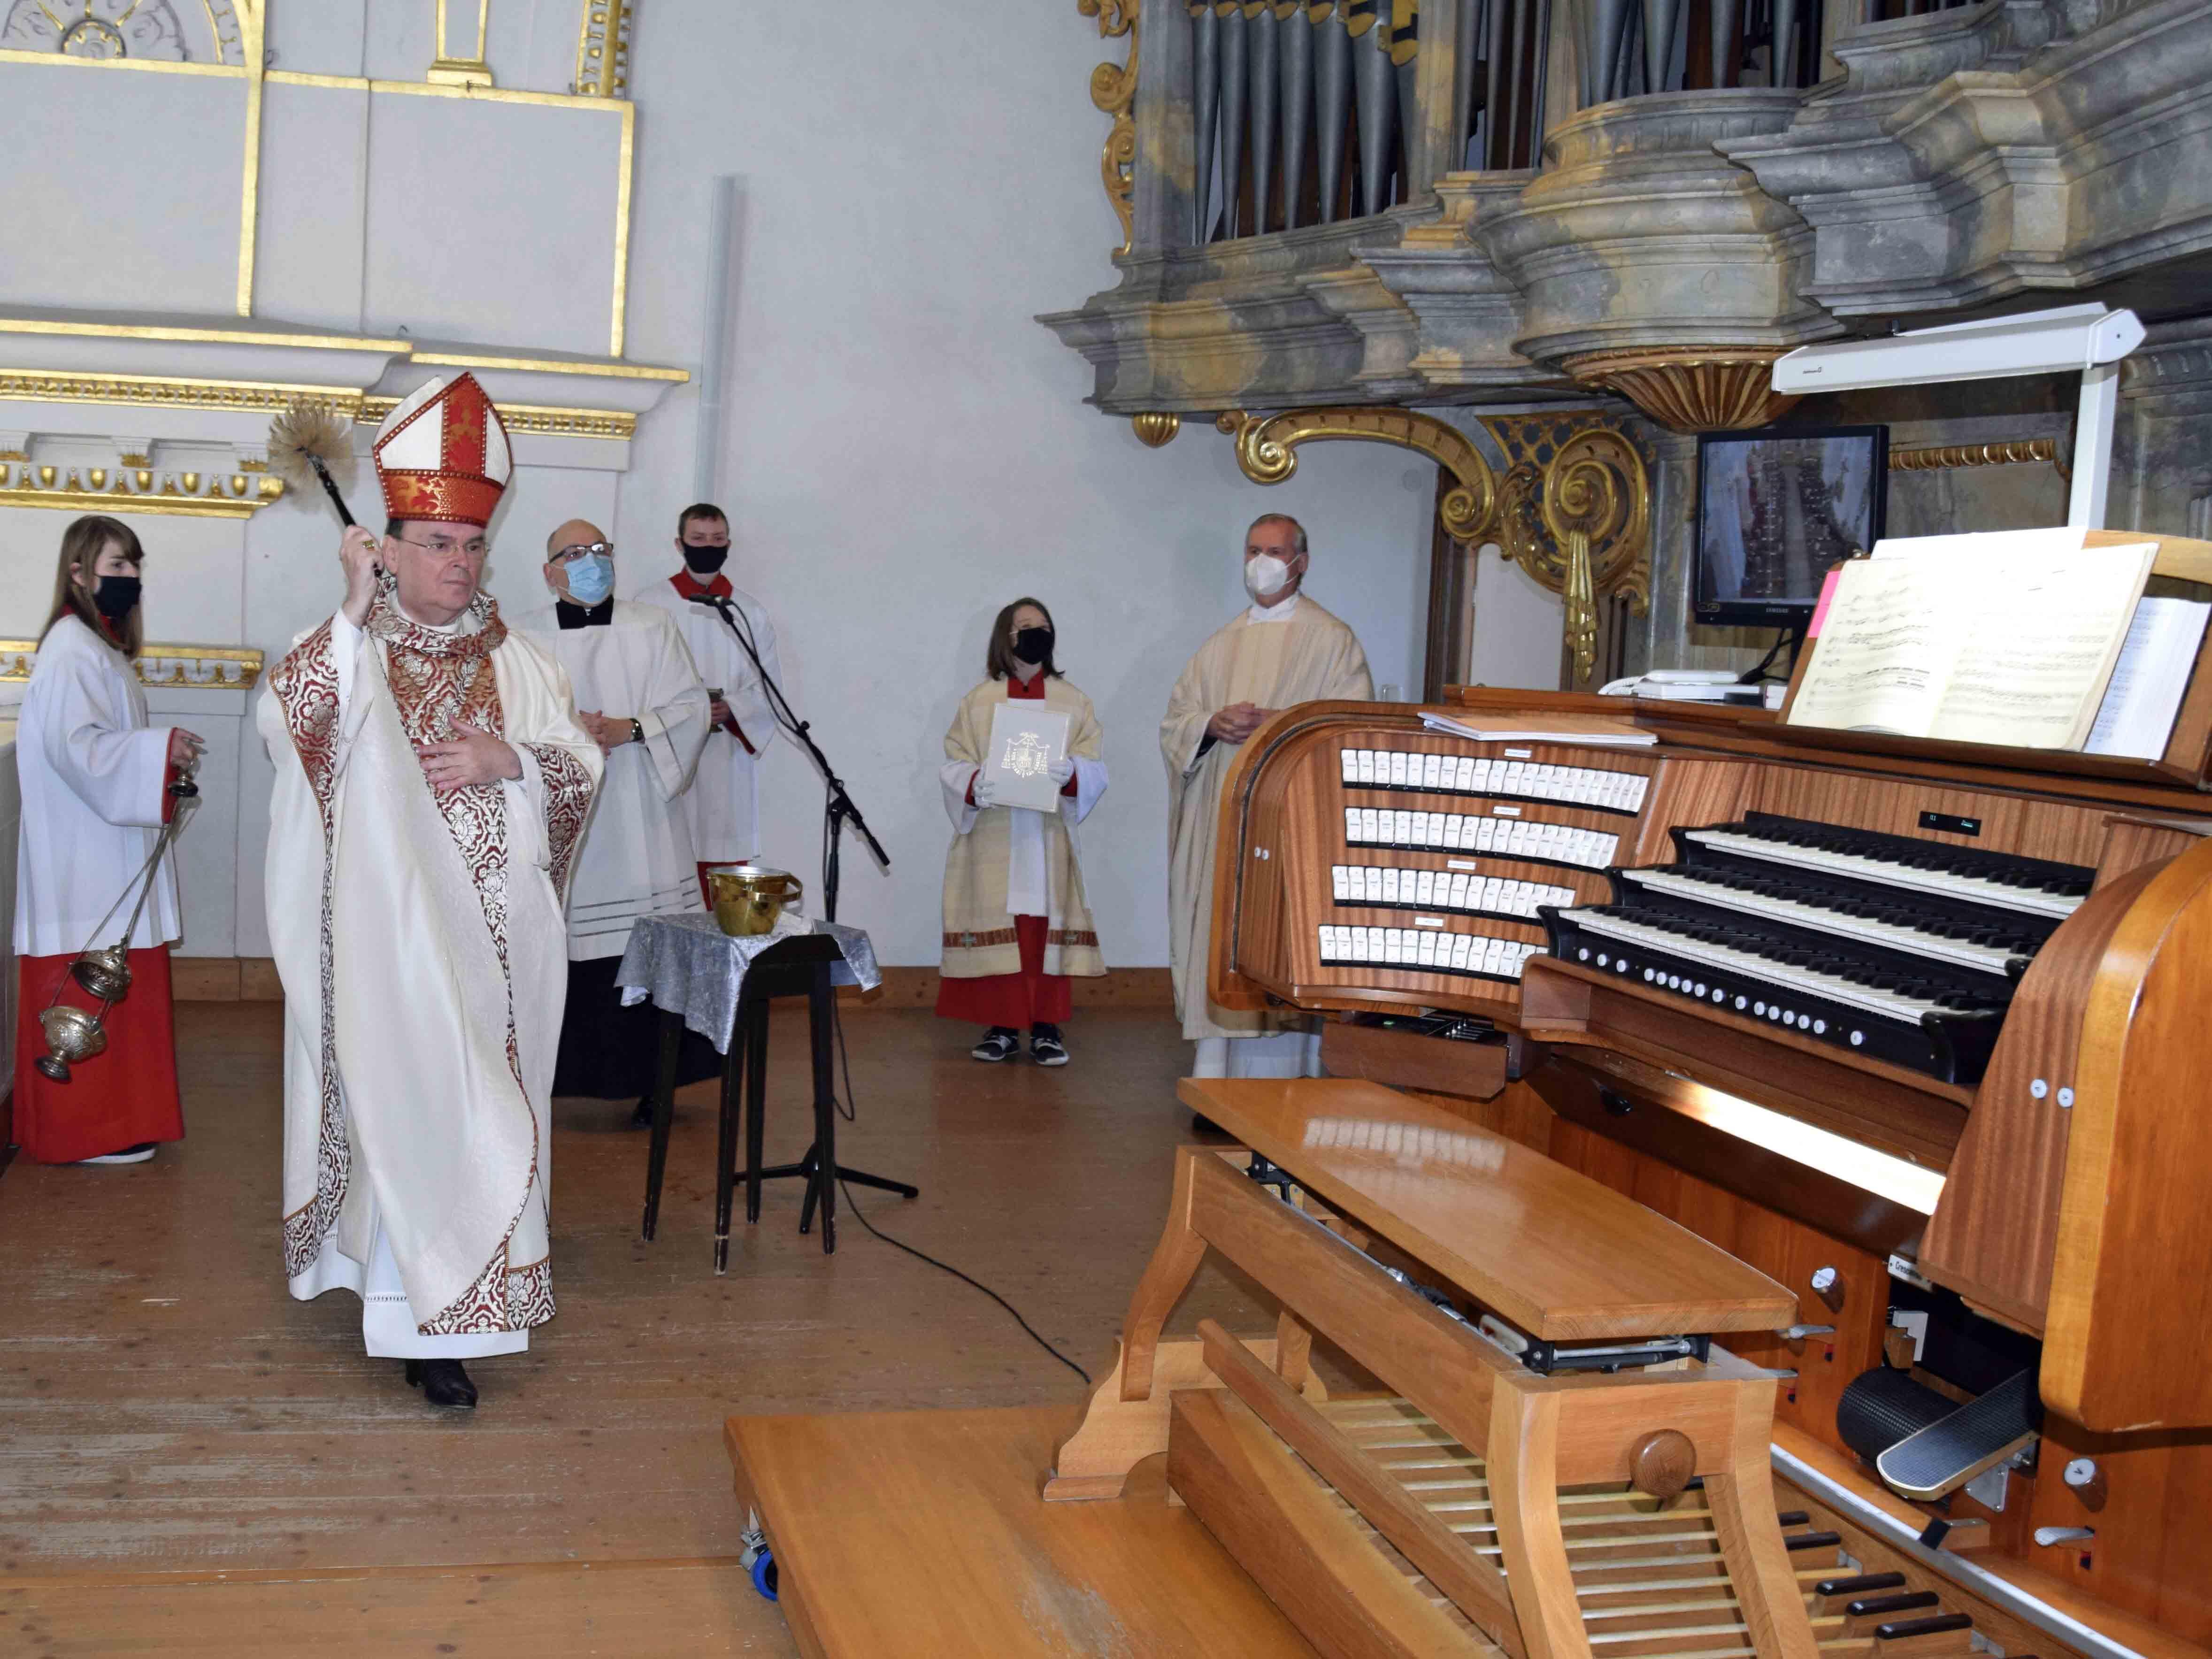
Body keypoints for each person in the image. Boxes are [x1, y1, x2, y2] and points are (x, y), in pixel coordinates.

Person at [259, 374, 602, 1412]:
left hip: (503, 951)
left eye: (472, 548)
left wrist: (515, 762)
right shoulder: (349, 653)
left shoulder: (527, 663)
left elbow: (580, 768)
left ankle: (467, 1302)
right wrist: (351, 608)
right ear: (389, 549)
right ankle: (423, 1323)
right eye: (438, 545)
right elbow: (293, 730)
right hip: (388, 949)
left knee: (488, 1109)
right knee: (409, 1112)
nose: (458, 565)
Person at [517, 518, 721, 1126]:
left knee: (647, 945)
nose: (591, 561)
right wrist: (564, 728)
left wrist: (629, 729)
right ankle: (550, 1082)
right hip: (566, 817)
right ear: (549, 571)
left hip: (640, 813)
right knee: (567, 954)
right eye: (575, 553)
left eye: (601, 550)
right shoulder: (522, 637)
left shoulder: (651, 626)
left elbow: (691, 708)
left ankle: (659, 1082)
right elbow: (507, 715)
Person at [11, 515, 201, 1165]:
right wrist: (157, 751)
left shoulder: (101, 649)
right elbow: (77, 749)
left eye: (135, 567)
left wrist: (158, 757)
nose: (131, 579)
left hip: (104, 852)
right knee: (89, 987)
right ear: (78, 571)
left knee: (123, 985)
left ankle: (118, 1123)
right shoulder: (71, 647)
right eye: (117, 566)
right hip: (82, 860)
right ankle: (85, 1131)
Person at [1161, 514, 1371, 1078]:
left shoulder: (1331, 640)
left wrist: (1283, 723)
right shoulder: (1220, 644)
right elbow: (1176, 720)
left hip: (1288, 819)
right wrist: (1210, 724)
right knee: (1222, 931)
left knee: (1278, 932)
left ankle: (1285, 1080)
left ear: (1301, 562)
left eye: (1275, 551)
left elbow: (1352, 725)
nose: (1263, 562)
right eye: (1254, 550)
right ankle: (1215, 1077)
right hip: (1226, 816)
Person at [936, 599, 1107, 1065]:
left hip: (1046, 833)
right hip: (996, 831)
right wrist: (974, 784)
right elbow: (954, 762)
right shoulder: (978, 701)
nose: (1037, 633)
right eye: (1025, 626)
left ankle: (1048, 1026)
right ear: (1004, 637)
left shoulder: (1073, 701)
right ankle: (1003, 1026)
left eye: (1044, 626)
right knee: (1006, 927)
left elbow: (1095, 767)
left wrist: (1071, 771)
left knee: (1043, 927)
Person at [632, 504, 782, 895]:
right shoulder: (649, 605)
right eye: (698, 540)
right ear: (680, 544)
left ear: (729, 544)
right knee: (666, 855)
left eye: (717, 540)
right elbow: (634, 678)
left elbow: (768, 687)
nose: (708, 547)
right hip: (667, 751)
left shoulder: (749, 612)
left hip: (724, 756)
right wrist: (679, 715)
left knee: (721, 856)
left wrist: (732, 707)